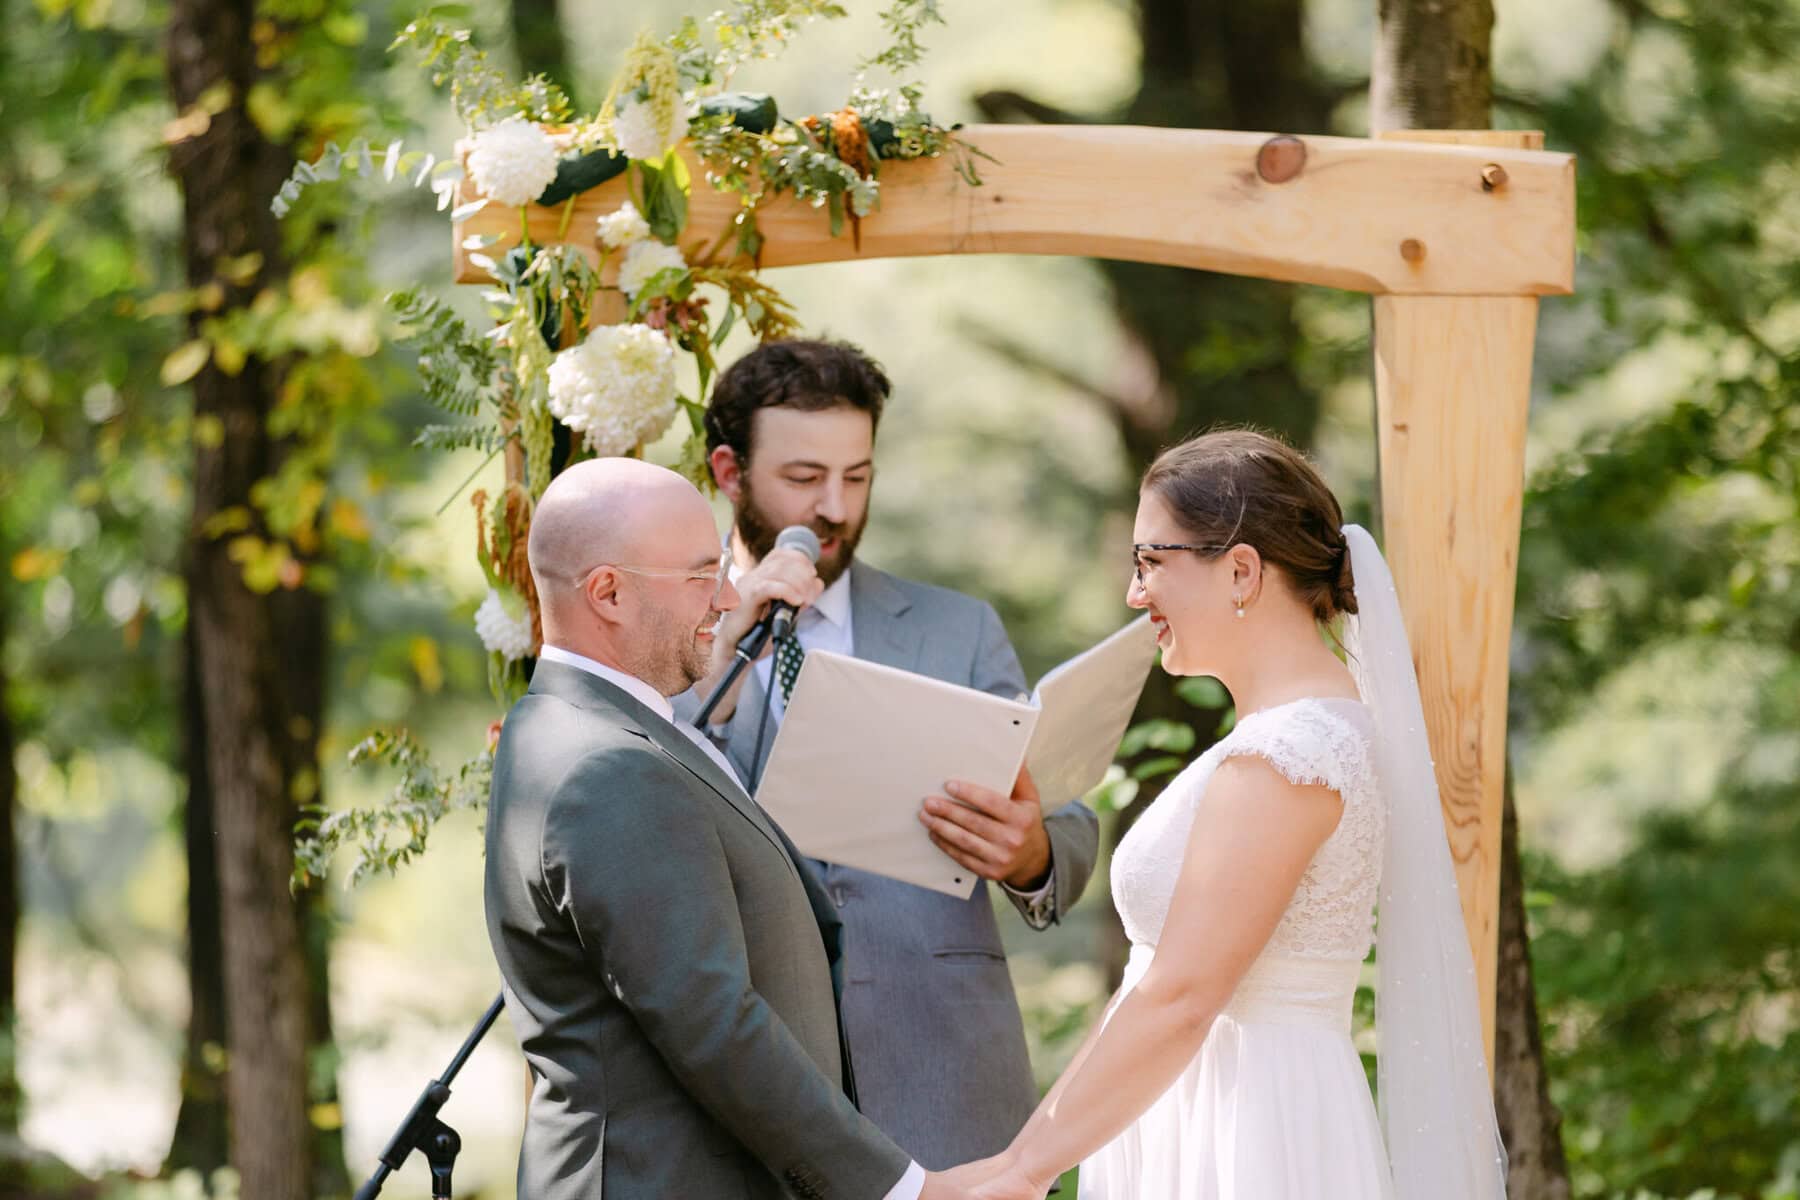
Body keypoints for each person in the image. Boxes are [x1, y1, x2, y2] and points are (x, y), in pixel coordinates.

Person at [938, 429, 1506, 1199]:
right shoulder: (1289, 740)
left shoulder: (1288, 758)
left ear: (1241, 570)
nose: (1135, 594)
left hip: (1249, 1134)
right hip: (1201, 1104)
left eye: (1150, 562)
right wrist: (1022, 1159)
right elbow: (1151, 986)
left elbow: (1181, 995)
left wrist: (1022, 1173)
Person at [672, 339, 1101, 1169]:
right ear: (728, 472)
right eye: (804, 478)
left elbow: (1070, 820)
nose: (834, 507)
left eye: (857, 477)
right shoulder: (676, 635)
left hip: (943, 1075)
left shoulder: (958, 628)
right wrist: (725, 640)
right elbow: (640, 799)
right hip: (749, 1088)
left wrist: (1033, 852)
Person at [484, 457, 961, 1199]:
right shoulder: (608, 768)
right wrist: (904, 1189)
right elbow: (713, 1024)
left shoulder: (564, 724)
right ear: (608, 593)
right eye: (703, 574)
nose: (731, 595)